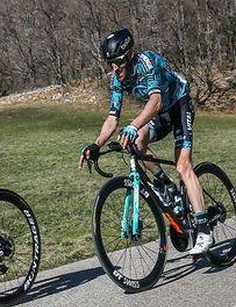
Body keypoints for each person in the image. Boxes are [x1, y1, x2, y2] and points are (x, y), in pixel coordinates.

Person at [78, 29, 212, 255]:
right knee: (134, 143)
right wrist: (96, 145)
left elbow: (156, 102)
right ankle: (166, 186)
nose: (115, 69)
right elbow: (112, 118)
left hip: (178, 106)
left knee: (182, 166)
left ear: (130, 55)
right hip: (159, 114)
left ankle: (204, 229)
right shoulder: (117, 79)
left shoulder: (146, 63)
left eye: (118, 62)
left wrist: (133, 125)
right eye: (110, 64)